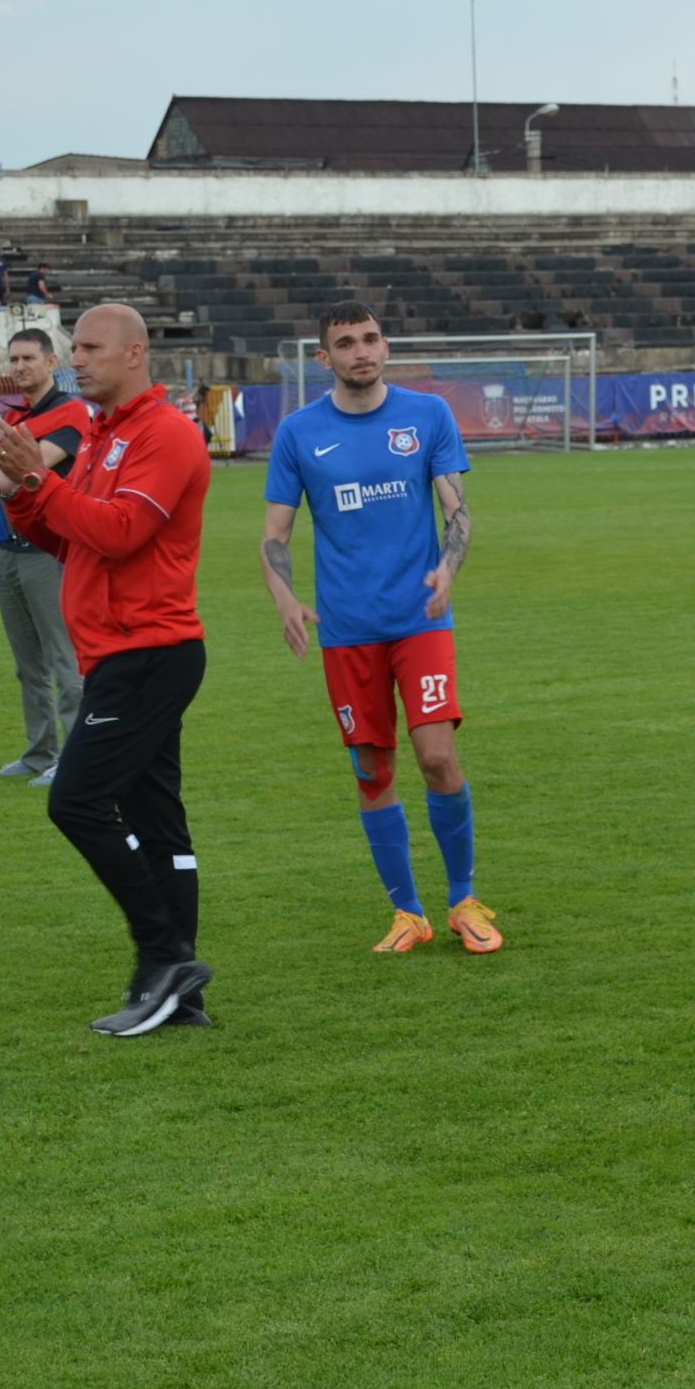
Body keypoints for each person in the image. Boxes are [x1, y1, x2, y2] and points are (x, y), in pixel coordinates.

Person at [0, 304, 214, 1037]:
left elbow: (122, 532)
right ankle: (178, 996)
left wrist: (37, 484)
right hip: (122, 651)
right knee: (157, 823)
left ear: (135, 353)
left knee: (74, 801)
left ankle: (164, 957)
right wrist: (17, 491)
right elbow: (76, 542)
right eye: (75, 348)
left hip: (148, 651)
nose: (77, 359)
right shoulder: (104, 433)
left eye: (91, 348)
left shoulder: (165, 432)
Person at [259, 301, 501, 956]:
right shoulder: (299, 433)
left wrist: (448, 568)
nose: (360, 351)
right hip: (347, 629)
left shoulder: (429, 415)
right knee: (372, 771)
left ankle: (463, 899)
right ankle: (407, 913)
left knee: (437, 756)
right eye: (345, 343)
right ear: (324, 357)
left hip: (420, 619)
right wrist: (284, 598)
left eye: (369, 339)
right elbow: (275, 534)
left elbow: (457, 510)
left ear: (385, 346)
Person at [0, 328, 89, 786]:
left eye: (28, 357)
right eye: (13, 359)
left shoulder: (70, 411)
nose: (19, 367)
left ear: (52, 363)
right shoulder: (15, 416)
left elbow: (28, 466)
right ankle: (39, 753)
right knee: (27, 665)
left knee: (65, 661)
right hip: (5, 548)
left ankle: (74, 759)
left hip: (48, 550)